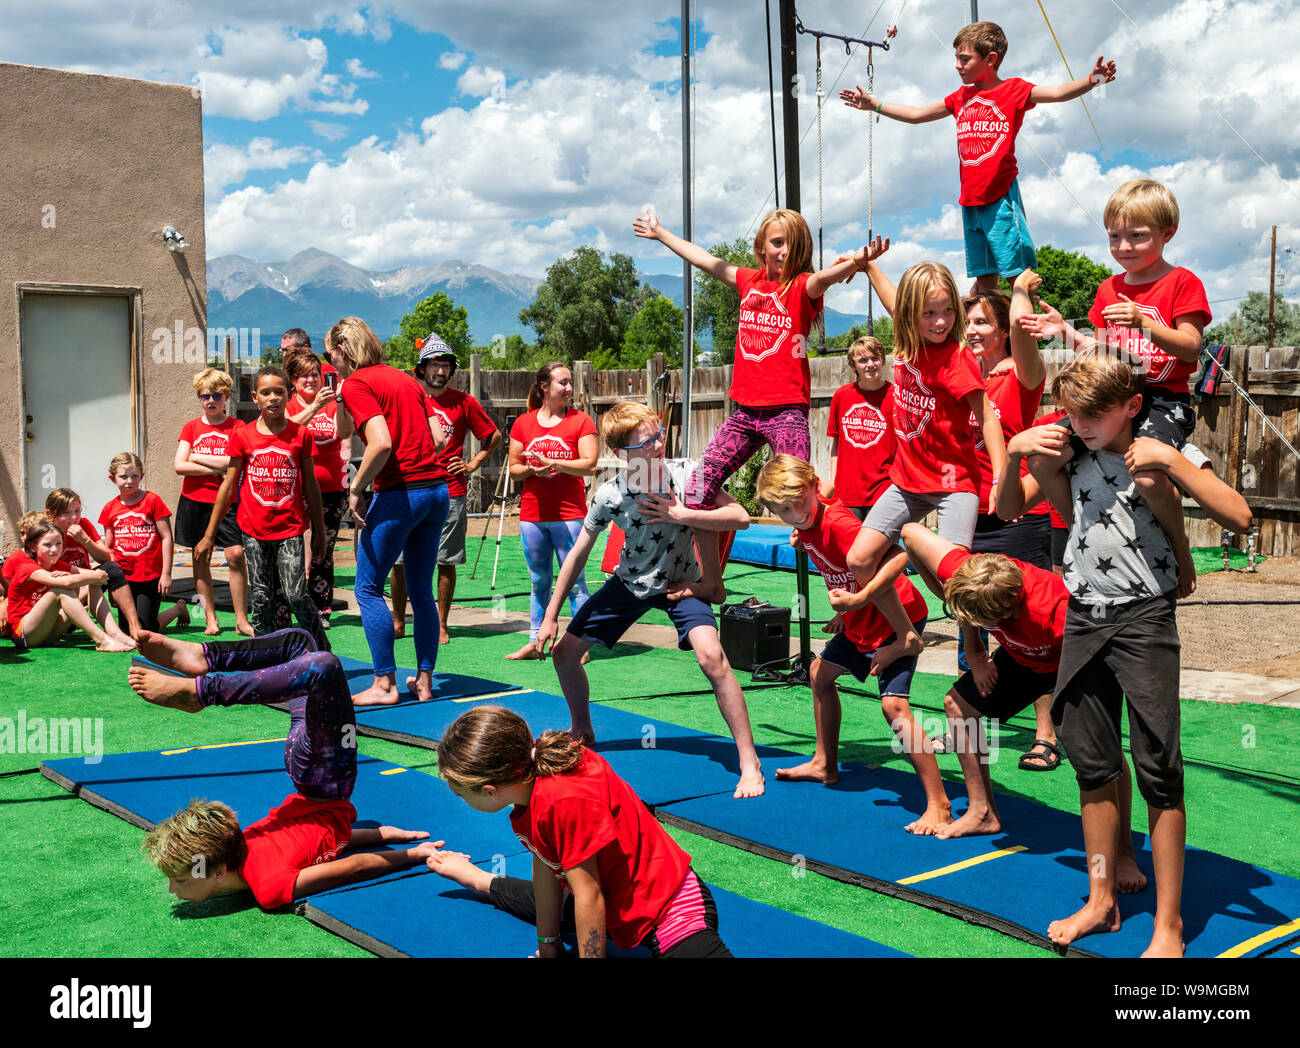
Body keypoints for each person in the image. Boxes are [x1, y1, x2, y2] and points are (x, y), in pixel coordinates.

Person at [998, 347, 1252, 956]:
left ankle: (1169, 924)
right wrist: (1014, 457)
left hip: (1145, 619)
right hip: (1084, 614)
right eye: (1071, 413)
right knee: (1092, 766)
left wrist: (1172, 459)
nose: (1080, 425)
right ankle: (1101, 899)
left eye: (1094, 415)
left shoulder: (1163, 451)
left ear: (1132, 407)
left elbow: (1240, 516)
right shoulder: (1071, 450)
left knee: (1159, 770)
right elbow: (1008, 509)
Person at [633, 207, 872, 603]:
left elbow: (824, 277)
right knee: (696, 490)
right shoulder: (749, 281)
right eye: (776, 243)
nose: (782, 252)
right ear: (762, 247)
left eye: (791, 246)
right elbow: (705, 259)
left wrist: (855, 263)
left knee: (803, 499)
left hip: (786, 414)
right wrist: (661, 234)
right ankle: (711, 580)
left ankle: (850, 590)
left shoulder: (801, 288)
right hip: (744, 413)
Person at [536, 401, 765, 799]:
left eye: (659, 435)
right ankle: (581, 729)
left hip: (681, 585)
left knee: (713, 658)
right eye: (647, 442)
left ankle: (749, 760)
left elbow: (741, 517)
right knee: (564, 654)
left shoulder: (688, 473)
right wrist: (549, 617)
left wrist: (681, 514)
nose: (659, 445)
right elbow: (578, 555)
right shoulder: (611, 494)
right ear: (621, 454)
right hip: (630, 584)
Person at [129, 629, 446, 908]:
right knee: (302, 646)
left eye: (181, 881)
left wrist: (412, 854)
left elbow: (354, 868)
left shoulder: (268, 886)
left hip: (325, 779)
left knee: (323, 667)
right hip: (305, 768)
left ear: (219, 872)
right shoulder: (244, 843)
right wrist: (387, 836)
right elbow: (332, 847)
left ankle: (204, 688)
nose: (172, 889)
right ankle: (205, 658)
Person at [898, 523, 1146, 852]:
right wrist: (975, 653)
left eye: (983, 621)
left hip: (1076, 659)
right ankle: (981, 812)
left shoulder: (1055, 612)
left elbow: (1115, 647)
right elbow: (910, 532)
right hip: (1024, 658)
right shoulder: (967, 571)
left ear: (1007, 609)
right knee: (959, 704)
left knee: (1102, 747)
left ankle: (1124, 850)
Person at [1020, 178, 1212, 597]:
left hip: (1164, 401)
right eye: (1114, 236)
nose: (1124, 246)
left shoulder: (1182, 283)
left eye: (1137, 236)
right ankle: (1078, 532)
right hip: (1114, 397)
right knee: (1043, 457)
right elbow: (1106, 351)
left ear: (1167, 233)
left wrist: (1146, 323)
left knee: (1145, 474)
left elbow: (1191, 345)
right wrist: (1064, 331)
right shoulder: (1109, 288)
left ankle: (1180, 548)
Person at [431, 704, 733, 957]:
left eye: (460, 793)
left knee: (577, 900)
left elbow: (590, 894)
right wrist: (548, 943)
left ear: (489, 791)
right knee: (553, 898)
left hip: (669, 907)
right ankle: (480, 880)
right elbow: (546, 859)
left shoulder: (561, 800)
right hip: (608, 898)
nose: (460, 799)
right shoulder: (532, 777)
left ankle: (482, 881)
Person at [842, 21, 1116, 293]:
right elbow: (916, 115)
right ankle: (984, 332)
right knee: (985, 281)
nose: (958, 65)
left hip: (1000, 199)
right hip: (970, 202)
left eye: (965, 59)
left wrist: (1094, 80)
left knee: (1019, 278)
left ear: (990, 59)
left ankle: (1027, 333)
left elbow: (1057, 93)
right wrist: (874, 104)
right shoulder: (960, 97)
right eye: (957, 59)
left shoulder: (1014, 90)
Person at [756, 457, 944, 833]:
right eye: (783, 511)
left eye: (798, 504)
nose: (795, 515)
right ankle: (825, 763)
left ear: (813, 486)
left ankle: (939, 803)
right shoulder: (805, 520)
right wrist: (848, 612)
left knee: (894, 708)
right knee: (818, 675)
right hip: (859, 622)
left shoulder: (839, 524)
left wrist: (860, 600)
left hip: (896, 619)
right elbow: (832, 558)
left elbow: (900, 556)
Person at [844, 246, 1006, 663]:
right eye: (929, 314)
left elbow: (987, 419)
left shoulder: (957, 360)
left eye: (948, 312)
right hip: (908, 479)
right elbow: (892, 297)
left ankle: (971, 644)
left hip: (955, 484)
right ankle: (905, 633)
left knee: (957, 575)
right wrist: (868, 265)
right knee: (859, 559)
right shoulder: (904, 338)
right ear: (912, 316)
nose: (940, 322)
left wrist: (1002, 475)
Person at [326, 317, 449, 704]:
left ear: (342, 352)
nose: (330, 363)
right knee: (420, 589)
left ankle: (384, 685)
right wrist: (342, 396)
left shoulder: (360, 383)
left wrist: (356, 488)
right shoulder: (405, 379)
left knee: (366, 587)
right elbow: (439, 437)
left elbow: (380, 443)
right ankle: (424, 682)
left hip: (401, 494)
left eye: (331, 356)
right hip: (436, 492)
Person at [194, 367, 328, 652]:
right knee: (263, 597)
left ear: (288, 395)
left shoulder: (300, 435)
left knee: (295, 594)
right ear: (255, 397)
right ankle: (266, 656)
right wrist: (209, 535)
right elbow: (228, 486)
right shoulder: (244, 436)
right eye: (265, 393)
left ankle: (322, 652)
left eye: (279, 392)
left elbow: (311, 487)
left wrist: (320, 532)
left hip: (291, 529)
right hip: (253, 531)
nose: (273, 398)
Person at [390, 334, 501, 645]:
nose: (440, 371)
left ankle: (441, 625)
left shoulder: (464, 402)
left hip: (450, 489)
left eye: (446, 366)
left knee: (446, 560)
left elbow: (493, 436)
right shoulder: (406, 398)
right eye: (435, 365)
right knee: (398, 561)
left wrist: (474, 462)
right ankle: (399, 622)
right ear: (422, 368)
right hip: (406, 487)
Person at [505, 362, 598, 661]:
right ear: (544, 386)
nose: (569, 389)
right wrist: (532, 469)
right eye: (563, 383)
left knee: (574, 583)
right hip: (532, 515)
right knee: (539, 581)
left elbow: (590, 464)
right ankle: (535, 642)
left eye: (570, 383)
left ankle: (579, 644)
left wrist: (555, 464)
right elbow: (514, 469)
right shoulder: (523, 423)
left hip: (570, 515)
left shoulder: (581, 421)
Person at [173, 368, 252, 636]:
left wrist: (198, 457)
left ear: (226, 396)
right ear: (199, 397)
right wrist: (218, 468)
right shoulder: (191, 427)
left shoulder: (238, 427)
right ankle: (211, 618)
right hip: (194, 502)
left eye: (216, 395)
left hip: (228, 502)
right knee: (200, 557)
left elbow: (236, 464)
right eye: (205, 396)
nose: (211, 401)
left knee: (235, 556)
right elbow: (179, 465)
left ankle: (242, 620)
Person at [285, 348, 354, 631]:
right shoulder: (287, 405)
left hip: (331, 487)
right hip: (296, 488)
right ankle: (294, 604)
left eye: (314, 374)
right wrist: (311, 408)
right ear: (293, 381)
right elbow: (286, 431)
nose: (311, 380)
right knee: (294, 548)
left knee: (324, 547)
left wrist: (338, 401)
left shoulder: (330, 401)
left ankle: (322, 607)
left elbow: (345, 432)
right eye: (303, 376)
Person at [2, 519, 135, 651]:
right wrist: (94, 576)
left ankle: (115, 634)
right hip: (25, 634)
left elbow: (92, 575)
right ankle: (101, 641)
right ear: (32, 547)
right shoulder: (27, 567)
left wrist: (95, 577)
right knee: (61, 589)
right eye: (47, 545)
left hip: (50, 632)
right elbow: (66, 583)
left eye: (58, 544)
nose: (54, 549)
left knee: (92, 582)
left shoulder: (57, 565)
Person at [98, 452, 189, 635]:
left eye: (134, 476)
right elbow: (109, 549)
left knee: (146, 630)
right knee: (127, 631)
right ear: (112, 478)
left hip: (150, 575)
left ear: (142, 476)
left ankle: (178, 608)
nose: (129, 481)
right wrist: (112, 585)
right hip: (123, 577)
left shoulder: (153, 501)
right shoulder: (109, 508)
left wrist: (166, 574)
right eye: (123, 476)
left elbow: (166, 537)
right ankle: (175, 610)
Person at [45, 488, 143, 639]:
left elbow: (107, 557)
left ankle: (134, 626)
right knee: (94, 579)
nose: (74, 517)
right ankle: (103, 636)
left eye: (77, 511)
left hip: (87, 587)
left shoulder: (84, 524)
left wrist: (85, 540)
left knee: (111, 568)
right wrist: (90, 576)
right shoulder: (46, 534)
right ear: (50, 515)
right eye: (66, 513)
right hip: (61, 593)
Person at [822, 336, 896, 521]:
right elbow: (836, 444)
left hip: (884, 492)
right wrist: (834, 481)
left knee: (878, 549)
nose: (870, 364)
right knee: (848, 547)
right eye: (863, 360)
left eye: (875, 358)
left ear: (883, 361)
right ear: (853, 367)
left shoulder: (896, 396)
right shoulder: (842, 396)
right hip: (847, 493)